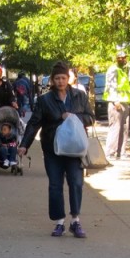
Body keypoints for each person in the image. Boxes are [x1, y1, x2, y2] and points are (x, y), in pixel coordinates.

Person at [19, 61, 95, 238]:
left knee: (76, 183)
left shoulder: (79, 96)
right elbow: (34, 123)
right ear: (52, 80)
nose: (60, 81)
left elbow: (91, 118)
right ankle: (59, 221)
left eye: (63, 78)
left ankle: (75, 220)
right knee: (55, 185)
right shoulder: (45, 100)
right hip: (52, 148)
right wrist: (24, 144)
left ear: (69, 79)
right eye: (57, 78)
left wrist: (73, 117)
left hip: (75, 149)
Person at [103, 49, 130, 160]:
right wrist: (116, 101)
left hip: (125, 102)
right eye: (120, 57)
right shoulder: (113, 69)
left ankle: (121, 152)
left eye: (124, 57)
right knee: (115, 128)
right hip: (116, 103)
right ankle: (109, 152)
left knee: (124, 128)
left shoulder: (123, 70)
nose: (122, 59)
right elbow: (111, 86)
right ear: (116, 59)